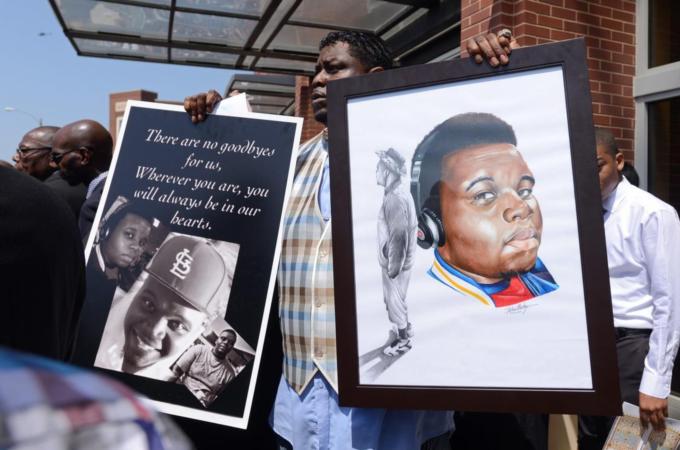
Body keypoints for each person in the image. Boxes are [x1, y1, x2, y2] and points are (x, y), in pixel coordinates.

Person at [185, 30, 515, 450]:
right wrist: (212, 130)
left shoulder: (416, 163)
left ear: (373, 78)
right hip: (300, 407)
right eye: (317, 70)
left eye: (334, 68)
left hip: (396, 411)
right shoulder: (288, 166)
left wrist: (491, 72)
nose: (318, 80)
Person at [578, 128, 680, 449]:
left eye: (597, 166)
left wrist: (656, 381)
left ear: (619, 161)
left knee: (630, 444)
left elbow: (669, 302)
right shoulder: (580, 215)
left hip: (633, 350)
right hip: (592, 351)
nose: (588, 177)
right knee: (591, 441)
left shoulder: (652, 214)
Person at [411, 113, 558, 308]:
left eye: (524, 191)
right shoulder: (433, 307)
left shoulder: (545, 280)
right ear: (433, 224)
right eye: (484, 195)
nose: (521, 208)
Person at [376, 148, 417, 356]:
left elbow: (399, 236)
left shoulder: (395, 198)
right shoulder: (396, 193)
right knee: (397, 299)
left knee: (395, 302)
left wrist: (393, 268)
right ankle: (405, 328)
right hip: (398, 261)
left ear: (387, 171)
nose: (376, 171)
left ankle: (403, 340)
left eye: (378, 167)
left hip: (396, 263)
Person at [50, 119, 113, 241]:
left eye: (57, 157)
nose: (52, 164)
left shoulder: (96, 203)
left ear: (84, 156)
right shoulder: (115, 190)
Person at [92, 201, 152, 292]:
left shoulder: (127, 278)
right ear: (107, 231)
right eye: (130, 235)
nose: (136, 247)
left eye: (142, 243)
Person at [169, 329, 238, 407]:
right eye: (223, 338)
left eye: (230, 343)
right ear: (216, 340)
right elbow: (177, 371)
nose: (226, 343)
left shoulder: (230, 374)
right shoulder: (199, 349)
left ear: (231, 348)